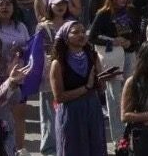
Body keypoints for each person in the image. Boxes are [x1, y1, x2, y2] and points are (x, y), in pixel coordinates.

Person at [47, 20, 110, 156]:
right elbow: (59, 97)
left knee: (95, 148)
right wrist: (86, 87)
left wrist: (102, 80)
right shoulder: (58, 63)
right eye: (75, 32)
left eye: (83, 31)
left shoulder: (93, 56)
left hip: (92, 109)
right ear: (65, 38)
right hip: (71, 113)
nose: (81, 35)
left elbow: (101, 87)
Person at [88, 0, 140, 139]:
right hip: (112, 58)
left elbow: (137, 33)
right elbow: (92, 37)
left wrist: (131, 42)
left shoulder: (131, 11)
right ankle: (118, 137)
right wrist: (112, 41)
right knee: (114, 96)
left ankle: (131, 130)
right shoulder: (103, 14)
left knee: (131, 93)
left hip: (129, 55)